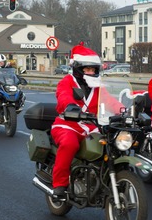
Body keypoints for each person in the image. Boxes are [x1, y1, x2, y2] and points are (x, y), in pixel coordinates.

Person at [50, 43, 122, 199]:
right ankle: (60, 184)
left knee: (112, 143)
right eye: (87, 69)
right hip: (68, 124)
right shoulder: (67, 82)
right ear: (78, 69)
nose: (91, 72)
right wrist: (70, 106)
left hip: (92, 126)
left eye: (93, 70)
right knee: (70, 144)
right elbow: (63, 96)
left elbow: (110, 101)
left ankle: (102, 178)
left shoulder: (97, 87)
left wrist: (124, 110)